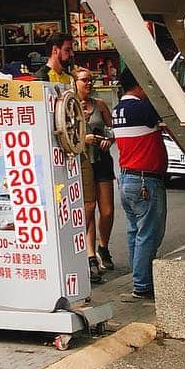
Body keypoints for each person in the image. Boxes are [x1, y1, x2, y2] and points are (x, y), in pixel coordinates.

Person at [112, 68, 168, 302]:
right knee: (148, 234)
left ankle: (139, 281)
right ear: (138, 84)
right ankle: (143, 285)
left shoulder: (117, 110)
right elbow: (171, 116)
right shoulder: (142, 107)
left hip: (127, 178)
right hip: (145, 180)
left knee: (135, 232)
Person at [74, 67, 115, 283]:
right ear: (75, 83)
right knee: (88, 208)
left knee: (106, 210)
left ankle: (103, 247)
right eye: (84, 80)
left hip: (102, 159)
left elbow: (114, 128)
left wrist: (109, 138)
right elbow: (64, 133)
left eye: (91, 80)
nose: (88, 84)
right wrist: (83, 138)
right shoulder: (70, 106)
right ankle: (90, 256)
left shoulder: (99, 104)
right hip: (83, 162)